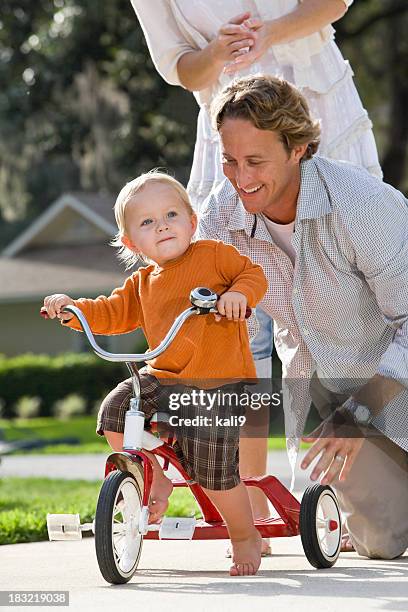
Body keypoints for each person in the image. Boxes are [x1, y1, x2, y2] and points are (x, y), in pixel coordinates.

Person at [129, 0, 383, 552]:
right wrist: (220, 52)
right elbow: (177, 65)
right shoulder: (230, 190)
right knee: (222, 319)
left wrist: (269, 34)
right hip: (232, 123)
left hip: (316, 107)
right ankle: (244, 501)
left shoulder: (359, 200)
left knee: (358, 294)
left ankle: (370, 428)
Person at [198, 74, 408, 559]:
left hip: (390, 384)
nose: (239, 177)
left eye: (255, 161)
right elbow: (227, 344)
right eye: (229, 160)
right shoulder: (221, 218)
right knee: (381, 542)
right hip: (320, 401)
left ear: (298, 149)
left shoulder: (363, 206)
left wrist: (359, 414)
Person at [43, 171, 268, 576]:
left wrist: (237, 295)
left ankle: (245, 535)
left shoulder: (214, 255)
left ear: (192, 221)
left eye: (170, 214)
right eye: (147, 222)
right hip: (163, 376)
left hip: (218, 382)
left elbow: (253, 275)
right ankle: (154, 478)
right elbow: (109, 313)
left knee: (213, 475)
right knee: (113, 412)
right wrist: (73, 309)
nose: (162, 225)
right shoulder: (141, 283)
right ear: (131, 243)